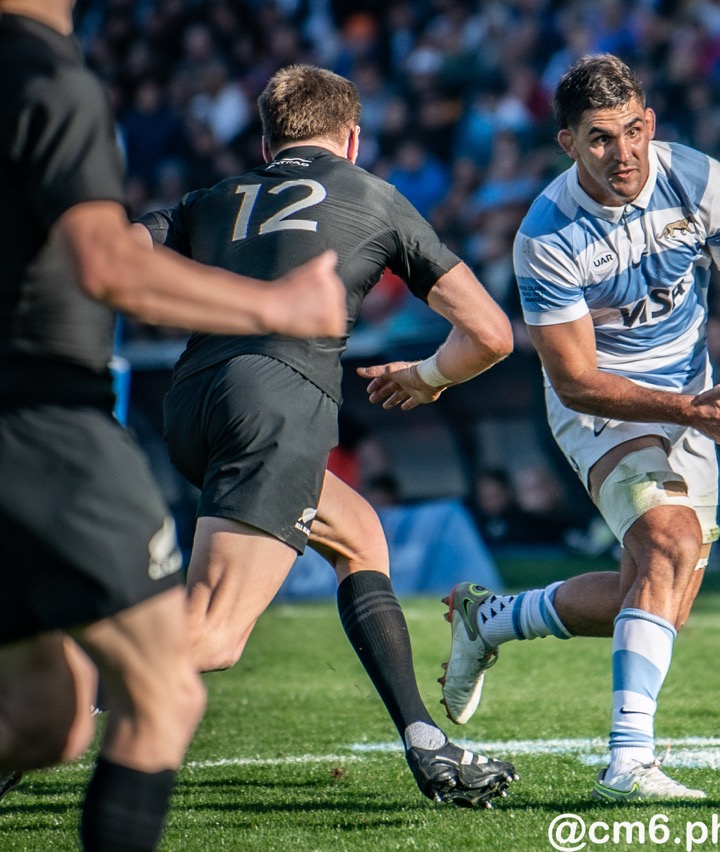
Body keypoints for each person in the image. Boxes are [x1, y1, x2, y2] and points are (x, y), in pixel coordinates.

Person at [436, 54, 720, 801]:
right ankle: (627, 762)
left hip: (693, 393)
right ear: (567, 143)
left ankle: (488, 619)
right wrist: (694, 412)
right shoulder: (546, 235)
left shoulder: (699, 179)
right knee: (669, 542)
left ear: (649, 122)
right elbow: (575, 377)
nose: (623, 154)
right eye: (599, 139)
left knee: (654, 593)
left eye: (632, 131)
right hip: (601, 405)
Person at [0, 3, 347, 847]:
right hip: (38, 417)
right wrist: (278, 302)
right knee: (165, 688)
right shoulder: (46, 75)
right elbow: (108, 262)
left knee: (45, 718)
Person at [137, 65, 516, 806]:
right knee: (213, 636)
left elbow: (114, 249)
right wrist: (429, 377)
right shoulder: (372, 193)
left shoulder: (213, 197)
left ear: (267, 138)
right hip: (279, 397)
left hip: (190, 402)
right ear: (352, 137)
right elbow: (492, 334)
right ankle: (38, 702)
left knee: (360, 537)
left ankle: (427, 742)